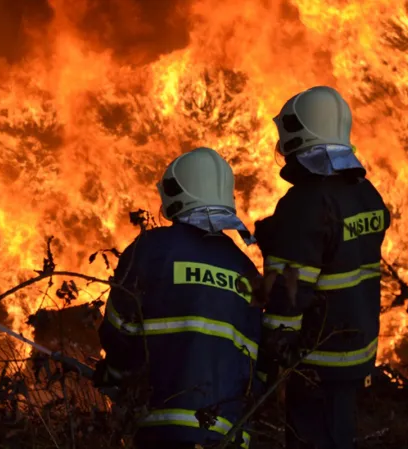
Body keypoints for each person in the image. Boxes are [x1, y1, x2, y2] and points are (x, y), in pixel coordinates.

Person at [96, 147, 264, 449]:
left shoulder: (151, 249)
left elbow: (120, 328)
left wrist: (114, 377)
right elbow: (254, 357)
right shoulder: (245, 269)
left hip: (162, 426)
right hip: (227, 432)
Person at [254, 86, 391, 449]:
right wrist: (282, 236)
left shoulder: (305, 202)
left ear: (300, 136)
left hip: (317, 354)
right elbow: (337, 251)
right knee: (338, 433)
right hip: (356, 345)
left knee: (313, 438)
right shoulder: (365, 192)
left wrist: (273, 350)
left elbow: (289, 289)